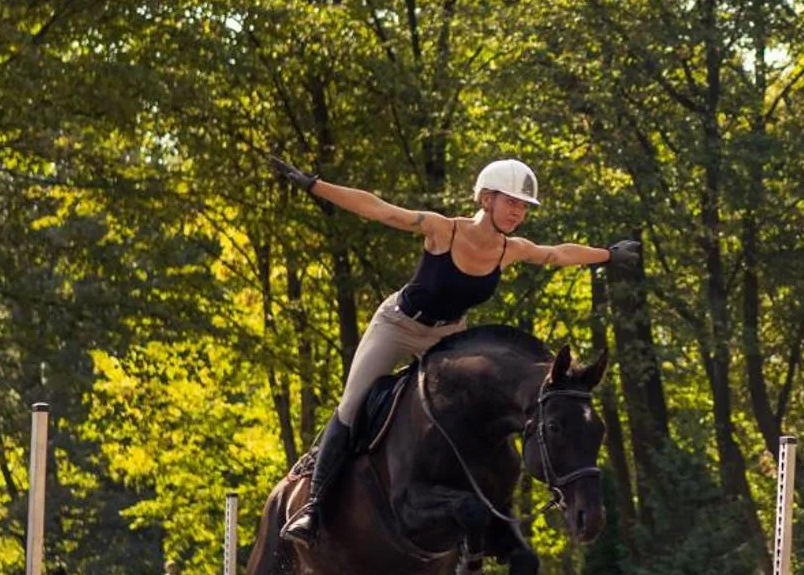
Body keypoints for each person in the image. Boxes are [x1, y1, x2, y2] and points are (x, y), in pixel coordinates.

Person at [268, 157, 640, 542]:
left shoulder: (511, 249)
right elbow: (379, 209)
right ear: (486, 199)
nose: (519, 212)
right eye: (511, 202)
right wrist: (315, 185)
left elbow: (558, 254)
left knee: (469, 413)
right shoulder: (441, 230)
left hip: (447, 336)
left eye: (524, 206)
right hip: (398, 326)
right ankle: (313, 507)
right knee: (351, 406)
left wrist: (608, 254)